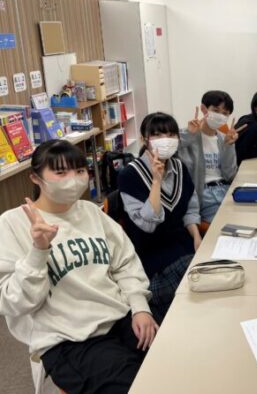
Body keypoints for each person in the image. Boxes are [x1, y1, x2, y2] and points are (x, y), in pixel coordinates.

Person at [0, 140, 157, 393]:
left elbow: (125, 262)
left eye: (80, 170)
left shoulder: (91, 211)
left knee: (172, 363)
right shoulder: (11, 224)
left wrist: (140, 307)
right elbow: (12, 302)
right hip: (68, 340)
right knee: (141, 386)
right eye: (61, 172)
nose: (73, 179)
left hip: (119, 317)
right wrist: (38, 251)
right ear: (36, 178)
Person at [119, 112, 200, 323]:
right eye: (158, 135)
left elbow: (190, 206)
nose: (166, 140)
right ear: (145, 139)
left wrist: (196, 236)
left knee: (209, 277)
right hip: (151, 260)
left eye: (171, 134)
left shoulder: (179, 166)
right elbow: (147, 225)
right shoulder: (129, 175)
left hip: (183, 247)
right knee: (198, 286)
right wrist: (156, 181)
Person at [178, 90, 246, 224]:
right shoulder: (188, 136)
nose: (220, 116)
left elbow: (230, 175)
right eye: (216, 110)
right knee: (229, 225)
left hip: (226, 190)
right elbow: (168, 152)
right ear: (204, 109)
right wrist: (188, 135)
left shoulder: (224, 138)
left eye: (225, 113)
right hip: (203, 194)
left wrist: (228, 146)